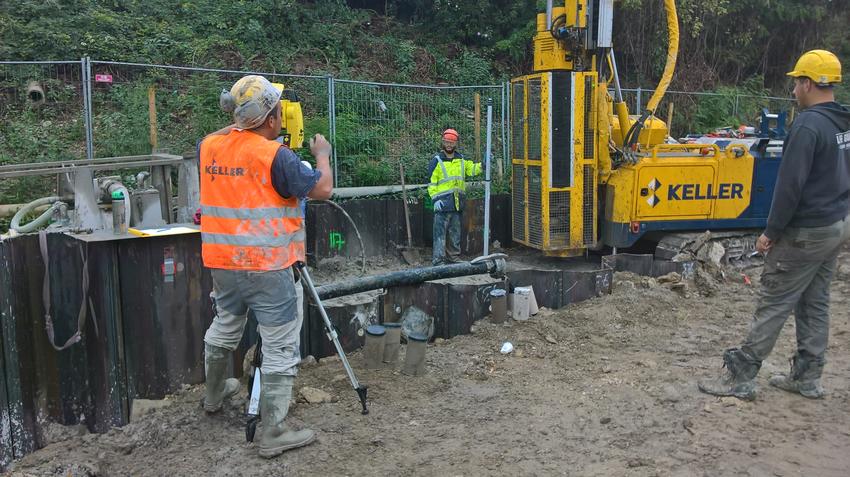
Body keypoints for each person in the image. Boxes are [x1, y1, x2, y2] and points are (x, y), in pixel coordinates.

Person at [698, 50, 850, 400]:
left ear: (808, 83)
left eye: (797, 83)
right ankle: (808, 377)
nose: (794, 90)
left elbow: (789, 186)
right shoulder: (842, 121)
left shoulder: (808, 125)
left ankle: (742, 375)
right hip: (836, 225)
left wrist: (771, 232)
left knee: (775, 300)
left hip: (806, 233)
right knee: (815, 301)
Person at [198, 75, 332, 458]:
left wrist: (245, 123)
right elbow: (322, 190)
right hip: (268, 266)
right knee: (278, 345)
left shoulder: (209, 147)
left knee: (225, 325)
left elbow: (229, 135)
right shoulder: (276, 156)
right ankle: (273, 432)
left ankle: (213, 395)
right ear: (272, 117)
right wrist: (321, 154)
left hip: (223, 262)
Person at [427, 128, 482, 265]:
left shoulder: (461, 160)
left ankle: (453, 257)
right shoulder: (436, 161)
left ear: (456, 143)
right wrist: (435, 199)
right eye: (447, 142)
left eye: (452, 142)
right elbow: (431, 184)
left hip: (457, 204)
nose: (449, 145)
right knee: (439, 234)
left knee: (455, 233)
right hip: (442, 204)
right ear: (443, 142)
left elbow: (473, 169)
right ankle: (438, 261)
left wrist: (484, 165)